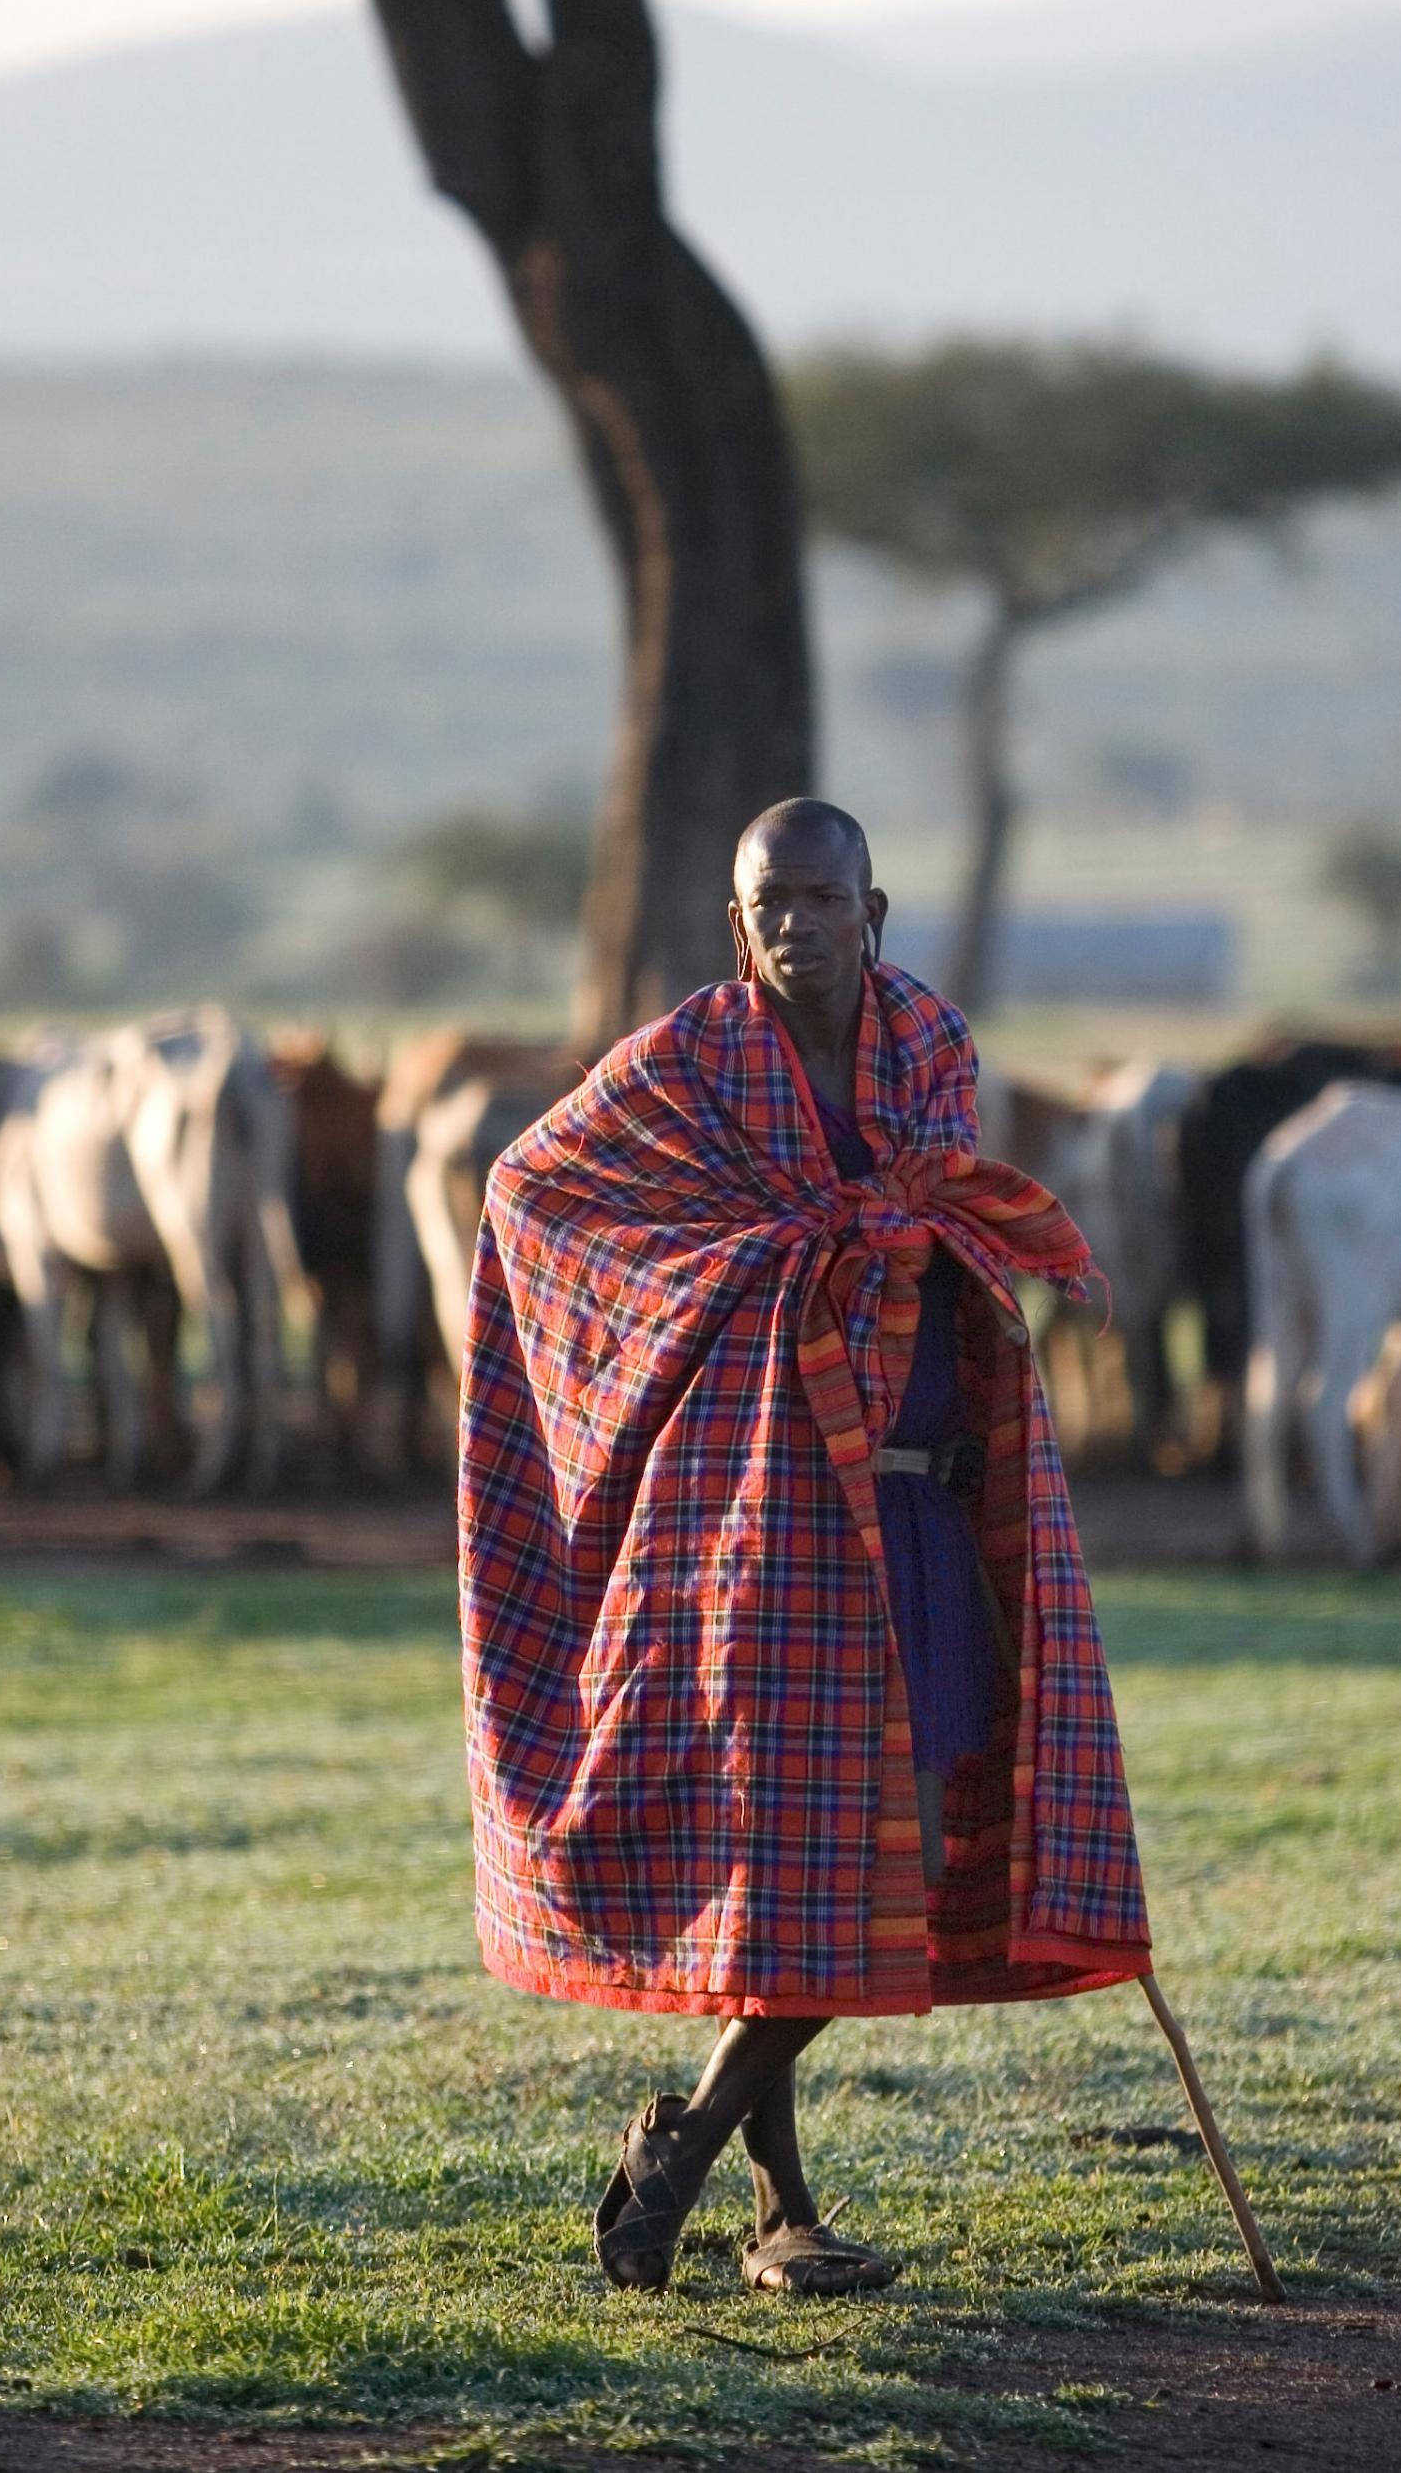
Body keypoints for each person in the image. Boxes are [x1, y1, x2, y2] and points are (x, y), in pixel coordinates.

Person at [454, 796, 1153, 2296]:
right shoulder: (691, 1066)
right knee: (804, 1867)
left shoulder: (932, 1060)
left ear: (873, 912)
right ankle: (766, 2206)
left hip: (916, 1503)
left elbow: (936, 1249)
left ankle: (690, 2153)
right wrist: (753, 1274)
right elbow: (529, 1190)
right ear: (735, 924)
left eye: (820, 899)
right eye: (767, 903)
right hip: (766, 1520)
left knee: (877, 1838)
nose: (793, 926)